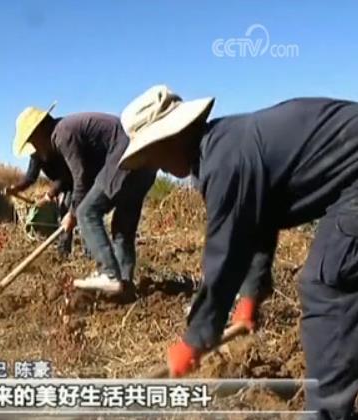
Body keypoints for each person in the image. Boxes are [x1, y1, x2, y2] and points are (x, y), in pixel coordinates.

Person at [119, 85, 358, 420]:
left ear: (170, 137)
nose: (154, 165)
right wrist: (250, 296)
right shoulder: (223, 146)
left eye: (151, 153)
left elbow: (225, 252)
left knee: (326, 283)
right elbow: (257, 226)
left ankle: (327, 413)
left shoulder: (224, 160)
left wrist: (196, 336)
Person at [13, 105, 156, 295]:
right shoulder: (67, 130)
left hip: (126, 156)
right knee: (122, 228)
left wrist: (72, 214)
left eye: (33, 141)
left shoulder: (62, 134)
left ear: (40, 131)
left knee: (86, 212)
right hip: (146, 159)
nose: (35, 147)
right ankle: (124, 285)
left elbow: (81, 178)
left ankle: (109, 274)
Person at [5, 152, 75, 256]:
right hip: (64, 185)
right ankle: (63, 254)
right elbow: (30, 177)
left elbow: (65, 175)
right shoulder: (35, 155)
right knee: (63, 216)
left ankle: (89, 256)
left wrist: (49, 195)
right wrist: (16, 188)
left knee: (77, 215)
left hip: (76, 180)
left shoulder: (56, 147)